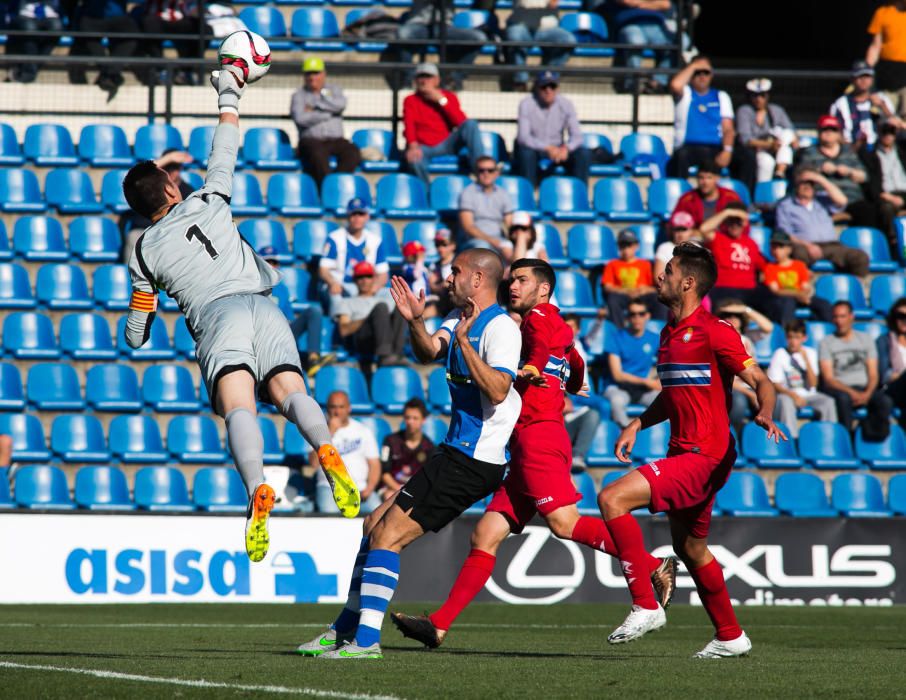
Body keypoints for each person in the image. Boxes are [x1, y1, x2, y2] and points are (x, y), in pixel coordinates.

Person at [120, 64, 360, 563]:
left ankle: (257, 489)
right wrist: (230, 91)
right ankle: (325, 449)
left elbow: (138, 335)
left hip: (216, 316)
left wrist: (141, 309)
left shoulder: (142, 252)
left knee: (239, 408)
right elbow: (224, 145)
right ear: (168, 189)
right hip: (264, 306)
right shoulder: (210, 199)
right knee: (292, 393)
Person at [389, 259, 677, 649]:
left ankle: (651, 566)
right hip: (527, 442)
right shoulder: (559, 324)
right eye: (512, 280)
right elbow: (574, 362)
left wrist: (530, 368)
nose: (513, 286)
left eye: (522, 280)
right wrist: (574, 382)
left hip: (538, 437)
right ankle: (438, 624)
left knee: (563, 523)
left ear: (543, 290)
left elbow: (542, 349)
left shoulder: (538, 318)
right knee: (485, 534)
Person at [295, 249, 522, 659]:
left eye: (455, 272)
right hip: (455, 451)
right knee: (373, 523)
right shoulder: (457, 319)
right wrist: (416, 321)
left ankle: (365, 642)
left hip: (476, 461)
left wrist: (467, 342)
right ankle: (343, 628)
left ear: (477, 279)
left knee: (389, 536)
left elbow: (499, 389)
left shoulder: (502, 329)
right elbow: (427, 351)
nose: (447, 279)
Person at [599, 241, 784, 656]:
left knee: (611, 498)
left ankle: (646, 604)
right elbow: (673, 393)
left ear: (687, 282)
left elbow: (761, 381)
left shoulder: (715, 330)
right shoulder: (668, 332)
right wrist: (637, 421)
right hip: (689, 452)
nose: (658, 276)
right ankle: (731, 636)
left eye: (667, 270)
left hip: (705, 456)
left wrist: (766, 410)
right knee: (691, 548)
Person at [666, 56, 755, 194]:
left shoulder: (721, 96)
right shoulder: (686, 94)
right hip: (690, 148)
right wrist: (694, 65)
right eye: (697, 72)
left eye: (705, 72)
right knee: (680, 157)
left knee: (747, 157)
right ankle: (680, 198)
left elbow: (728, 128)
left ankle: (744, 200)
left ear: (711, 75)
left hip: (715, 148)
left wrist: (727, 150)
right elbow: (675, 85)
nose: (702, 76)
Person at [699, 201, 792, 323]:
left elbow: (766, 267)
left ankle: (780, 337)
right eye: (731, 221)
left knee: (781, 301)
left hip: (749, 290)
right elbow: (703, 229)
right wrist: (727, 212)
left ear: (744, 224)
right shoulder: (718, 238)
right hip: (724, 288)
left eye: (739, 222)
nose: (735, 225)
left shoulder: (751, 243)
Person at [774, 167, 870, 277]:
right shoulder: (786, 206)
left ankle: (855, 289)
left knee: (859, 256)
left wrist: (820, 179)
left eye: (811, 184)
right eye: (804, 183)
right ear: (796, 185)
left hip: (831, 245)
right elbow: (785, 233)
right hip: (804, 246)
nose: (807, 187)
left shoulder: (822, 200)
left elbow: (842, 201)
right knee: (798, 254)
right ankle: (803, 287)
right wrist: (809, 246)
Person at [819, 301, 893, 440]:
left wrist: (868, 393)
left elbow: (873, 373)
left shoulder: (865, 339)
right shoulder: (826, 342)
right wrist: (851, 392)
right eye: (836, 317)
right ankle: (846, 439)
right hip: (840, 388)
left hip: (864, 388)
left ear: (851, 317)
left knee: (884, 401)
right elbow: (828, 379)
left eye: (843, 316)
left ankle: (872, 437)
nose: (839, 321)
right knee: (843, 399)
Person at [403, 62, 486, 185]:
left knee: (471, 124)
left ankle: (482, 169)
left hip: (448, 143)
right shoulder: (411, 100)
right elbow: (409, 125)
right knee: (415, 159)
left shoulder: (449, 97)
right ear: (415, 80)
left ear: (436, 80)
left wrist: (441, 101)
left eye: (428, 77)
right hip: (425, 147)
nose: (424, 81)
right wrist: (413, 146)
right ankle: (426, 194)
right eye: (421, 77)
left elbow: (460, 122)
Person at [793, 114, 880, 230]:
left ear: (838, 133)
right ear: (819, 132)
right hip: (822, 200)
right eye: (825, 129)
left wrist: (849, 171)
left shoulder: (849, 152)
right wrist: (819, 170)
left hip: (851, 199)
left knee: (868, 211)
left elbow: (864, 176)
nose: (829, 133)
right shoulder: (809, 152)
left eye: (833, 130)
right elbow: (802, 175)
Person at [290, 57, 361, 189]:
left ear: (323, 74)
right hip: (311, 141)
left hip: (336, 140)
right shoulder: (298, 95)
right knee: (318, 155)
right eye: (308, 74)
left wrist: (316, 106)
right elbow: (300, 119)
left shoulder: (334, 90)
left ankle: (336, 185)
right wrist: (329, 113)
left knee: (352, 152)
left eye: (316, 73)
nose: (312, 77)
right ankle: (327, 189)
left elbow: (341, 105)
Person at [514, 71, 591, 186]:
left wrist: (566, 148)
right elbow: (523, 138)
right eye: (544, 86)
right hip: (536, 149)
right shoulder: (526, 104)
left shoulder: (566, 104)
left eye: (552, 86)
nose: (548, 90)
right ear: (537, 88)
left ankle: (579, 192)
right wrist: (547, 148)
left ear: (557, 89)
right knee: (526, 153)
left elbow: (577, 136)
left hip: (559, 149)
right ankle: (528, 193)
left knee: (583, 153)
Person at [312, 391, 382, 514]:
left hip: (360, 488)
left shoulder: (363, 431)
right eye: (333, 407)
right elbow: (313, 463)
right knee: (329, 517)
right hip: (329, 488)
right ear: (327, 409)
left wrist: (370, 488)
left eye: (341, 407)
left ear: (349, 408)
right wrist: (329, 432)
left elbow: (375, 464)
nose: (337, 412)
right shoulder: (319, 431)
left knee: (378, 513)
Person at [120, 148, 195, 261]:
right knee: (134, 236)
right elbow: (133, 178)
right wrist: (168, 158)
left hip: (173, 234)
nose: (172, 171)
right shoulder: (149, 184)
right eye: (168, 166)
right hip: (146, 231)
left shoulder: (187, 190)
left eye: (175, 167)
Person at [712, 299, 773, 439]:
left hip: (751, 383)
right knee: (738, 402)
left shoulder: (748, 337)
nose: (731, 319)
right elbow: (720, 376)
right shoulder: (718, 339)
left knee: (771, 401)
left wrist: (746, 310)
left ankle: (762, 441)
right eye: (727, 315)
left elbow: (768, 327)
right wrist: (749, 394)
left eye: (735, 315)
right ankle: (734, 438)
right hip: (732, 386)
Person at [767, 319, 838, 438]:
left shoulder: (811, 353)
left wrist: (806, 361)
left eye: (797, 337)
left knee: (828, 402)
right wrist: (793, 395)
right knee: (785, 402)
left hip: (809, 395)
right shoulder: (780, 353)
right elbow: (775, 384)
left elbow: (813, 384)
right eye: (790, 337)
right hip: (787, 394)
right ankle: (791, 437)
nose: (793, 342)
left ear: (804, 338)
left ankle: (828, 436)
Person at [395, 0, 487, 90]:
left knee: (479, 38)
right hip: (419, 25)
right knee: (403, 34)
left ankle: (455, 79)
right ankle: (410, 79)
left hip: (445, 25)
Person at [332, 261, 407, 368]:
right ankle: (385, 356)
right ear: (355, 280)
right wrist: (370, 318)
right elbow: (344, 330)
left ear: (374, 279)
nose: (364, 280)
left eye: (368, 276)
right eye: (360, 277)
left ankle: (398, 354)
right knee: (380, 308)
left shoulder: (385, 299)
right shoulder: (347, 302)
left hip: (386, 336)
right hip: (362, 339)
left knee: (400, 307)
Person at [603, 299, 660, 427]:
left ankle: (661, 439)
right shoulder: (616, 338)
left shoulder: (654, 338)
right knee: (616, 401)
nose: (637, 317)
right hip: (619, 388)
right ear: (627, 317)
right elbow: (617, 375)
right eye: (632, 314)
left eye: (641, 313)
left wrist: (659, 379)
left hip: (644, 390)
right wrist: (647, 382)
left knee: (667, 403)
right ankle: (625, 437)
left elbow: (668, 361)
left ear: (648, 315)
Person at [319, 198, 389, 299]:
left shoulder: (375, 241)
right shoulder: (334, 238)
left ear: (367, 216)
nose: (357, 218)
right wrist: (333, 283)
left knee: (390, 295)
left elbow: (383, 274)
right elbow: (323, 269)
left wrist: (372, 290)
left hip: (368, 288)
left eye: (361, 214)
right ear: (348, 216)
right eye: (353, 214)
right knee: (336, 296)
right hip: (342, 286)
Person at [68, 0, 139, 99]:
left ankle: (109, 74)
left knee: (130, 39)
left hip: (118, 18)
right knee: (87, 39)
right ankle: (110, 75)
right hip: (91, 18)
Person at [504, 0, 576, 91]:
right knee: (515, 36)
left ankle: (546, 79)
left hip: (547, 26)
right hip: (522, 23)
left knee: (568, 40)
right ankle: (520, 81)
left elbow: (553, 4)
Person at [735, 78, 798, 183]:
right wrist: (769, 145)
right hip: (758, 150)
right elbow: (745, 140)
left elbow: (791, 131)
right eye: (755, 95)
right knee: (766, 162)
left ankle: (780, 173)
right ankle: (763, 193)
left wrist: (792, 141)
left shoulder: (777, 110)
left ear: (768, 96)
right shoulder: (744, 111)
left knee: (786, 141)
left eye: (762, 95)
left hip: (779, 149)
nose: (759, 99)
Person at [762, 230, 833, 323]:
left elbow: (805, 287)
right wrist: (797, 294)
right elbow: (776, 291)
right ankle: (787, 333)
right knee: (787, 303)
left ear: (789, 249)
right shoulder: (770, 268)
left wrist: (802, 294)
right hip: (785, 300)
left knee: (824, 305)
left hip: (801, 297)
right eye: (773, 247)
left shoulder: (799, 265)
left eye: (780, 247)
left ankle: (827, 331)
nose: (776, 250)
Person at [830, 61, 900, 148]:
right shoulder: (840, 103)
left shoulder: (882, 99)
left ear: (872, 79)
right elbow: (834, 130)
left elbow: (896, 124)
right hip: (850, 149)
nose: (863, 80)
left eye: (867, 76)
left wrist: (882, 106)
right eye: (859, 76)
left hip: (877, 149)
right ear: (852, 79)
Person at [861, 119, 906, 255]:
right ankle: (895, 243)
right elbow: (872, 185)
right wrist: (890, 198)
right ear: (878, 134)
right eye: (884, 132)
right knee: (886, 209)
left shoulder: (902, 151)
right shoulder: (870, 155)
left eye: (891, 132)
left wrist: (902, 125)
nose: (888, 136)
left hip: (904, 192)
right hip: (885, 195)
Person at [139, 0, 210, 85]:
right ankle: (161, 70)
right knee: (148, 25)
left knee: (205, 30)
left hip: (182, 19)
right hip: (157, 18)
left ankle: (185, 70)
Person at [601, 229, 662, 327]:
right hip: (623, 296)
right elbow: (607, 287)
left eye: (629, 245)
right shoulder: (612, 264)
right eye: (622, 246)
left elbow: (654, 287)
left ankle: (658, 328)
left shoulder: (645, 264)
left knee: (658, 299)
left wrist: (644, 290)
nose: (626, 249)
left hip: (642, 296)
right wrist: (625, 291)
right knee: (613, 299)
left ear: (636, 246)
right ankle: (618, 331)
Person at [380, 397, 435, 500]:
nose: (410, 422)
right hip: (391, 489)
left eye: (415, 418)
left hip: (417, 491)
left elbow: (430, 478)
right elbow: (384, 473)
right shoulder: (390, 441)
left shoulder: (429, 447)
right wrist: (400, 490)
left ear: (423, 420)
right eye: (407, 417)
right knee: (390, 497)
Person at [458, 156, 514, 253]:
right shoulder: (467, 193)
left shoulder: (503, 194)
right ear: (476, 173)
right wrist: (493, 241)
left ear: (497, 173)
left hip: (499, 240)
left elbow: (509, 224)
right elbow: (468, 227)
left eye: (490, 170)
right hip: (475, 241)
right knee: (483, 247)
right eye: (481, 170)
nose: (486, 173)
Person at [670, 160, 742, 228]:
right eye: (701, 178)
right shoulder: (687, 200)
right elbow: (675, 224)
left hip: (725, 238)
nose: (705, 182)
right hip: (695, 238)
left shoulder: (731, 197)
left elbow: (742, 224)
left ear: (717, 178)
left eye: (709, 178)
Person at [6, 0, 64, 83]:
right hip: (25, 15)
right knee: (30, 29)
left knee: (57, 28)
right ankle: (29, 73)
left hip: (48, 15)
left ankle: (29, 72)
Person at [866, 0, 906, 116]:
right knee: (885, 118)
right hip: (888, 74)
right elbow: (875, 46)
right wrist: (866, 71)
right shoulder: (882, 13)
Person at [877, 297, 906, 429]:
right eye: (900, 316)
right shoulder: (884, 341)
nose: (904, 320)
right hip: (892, 389)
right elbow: (885, 374)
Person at [654, 210, 701, 279]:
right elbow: (658, 278)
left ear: (691, 230)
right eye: (677, 229)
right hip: (670, 288)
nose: (680, 234)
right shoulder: (665, 248)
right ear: (672, 231)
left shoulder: (698, 248)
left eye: (684, 229)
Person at [563, 395, 601, 470]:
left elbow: (567, 405)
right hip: (547, 427)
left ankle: (577, 456)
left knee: (593, 414)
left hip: (565, 425)